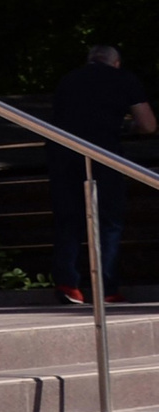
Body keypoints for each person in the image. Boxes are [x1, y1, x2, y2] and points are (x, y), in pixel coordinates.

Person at [47, 45, 156, 304]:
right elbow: (148, 124)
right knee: (109, 222)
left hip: (63, 154)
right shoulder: (124, 79)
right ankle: (106, 289)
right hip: (104, 154)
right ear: (116, 62)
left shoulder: (69, 79)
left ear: (90, 60)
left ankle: (68, 285)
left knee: (68, 220)